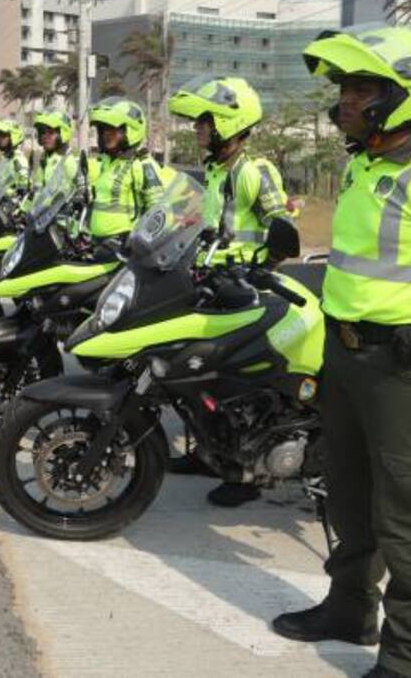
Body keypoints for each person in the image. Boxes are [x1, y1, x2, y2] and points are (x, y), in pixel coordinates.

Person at [273, 26, 411, 678]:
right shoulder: (361, 163)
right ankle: (349, 608)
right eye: (343, 87)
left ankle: (406, 659)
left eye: (361, 87)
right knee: (345, 496)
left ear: (404, 94)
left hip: (408, 370)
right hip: (344, 355)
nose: (345, 99)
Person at [167, 75, 293, 507]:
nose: (198, 129)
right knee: (199, 374)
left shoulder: (255, 171)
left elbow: (281, 227)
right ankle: (207, 453)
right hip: (212, 283)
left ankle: (244, 474)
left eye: (204, 122)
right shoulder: (215, 171)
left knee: (235, 384)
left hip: (244, 290)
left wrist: (261, 266)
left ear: (227, 122)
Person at [87, 97, 165, 241]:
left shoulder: (142, 164)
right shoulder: (107, 162)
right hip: (98, 243)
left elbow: (157, 210)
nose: (106, 134)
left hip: (124, 244)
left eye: (112, 128)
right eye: (103, 129)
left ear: (130, 129)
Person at [0, 119, 31, 192]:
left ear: (14, 137)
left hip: (11, 202)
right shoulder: (5, 157)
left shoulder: (18, 159)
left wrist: (12, 192)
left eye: (4, 136)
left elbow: (23, 186)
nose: (0, 139)